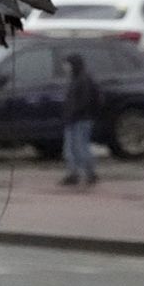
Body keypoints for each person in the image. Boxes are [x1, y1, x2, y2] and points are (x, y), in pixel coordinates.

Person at [60, 54, 101, 187]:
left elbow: (84, 101)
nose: (65, 67)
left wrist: (73, 113)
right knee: (72, 148)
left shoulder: (82, 80)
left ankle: (88, 172)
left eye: (67, 64)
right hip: (75, 119)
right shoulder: (76, 79)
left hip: (80, 119)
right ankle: (75, 173)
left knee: (79, 147)